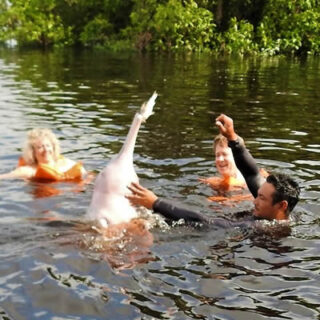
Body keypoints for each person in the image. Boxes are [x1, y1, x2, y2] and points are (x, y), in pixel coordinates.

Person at [126, 114, 300, 227]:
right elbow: (252, 173)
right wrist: (233, 137)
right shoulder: (272, 206)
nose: (255, 200)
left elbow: (206, 222)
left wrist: (155, 203)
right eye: (258, 194)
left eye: (261, 198)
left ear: (282, 206)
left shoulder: (262, 229)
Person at [0, 128, 87, 181]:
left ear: (53, 147)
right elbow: (3, 177)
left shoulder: (67, 163)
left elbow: (87, 176)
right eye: (40, 147)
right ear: (32, 151)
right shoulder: (27, 171)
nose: (46, 150)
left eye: (48, 145)